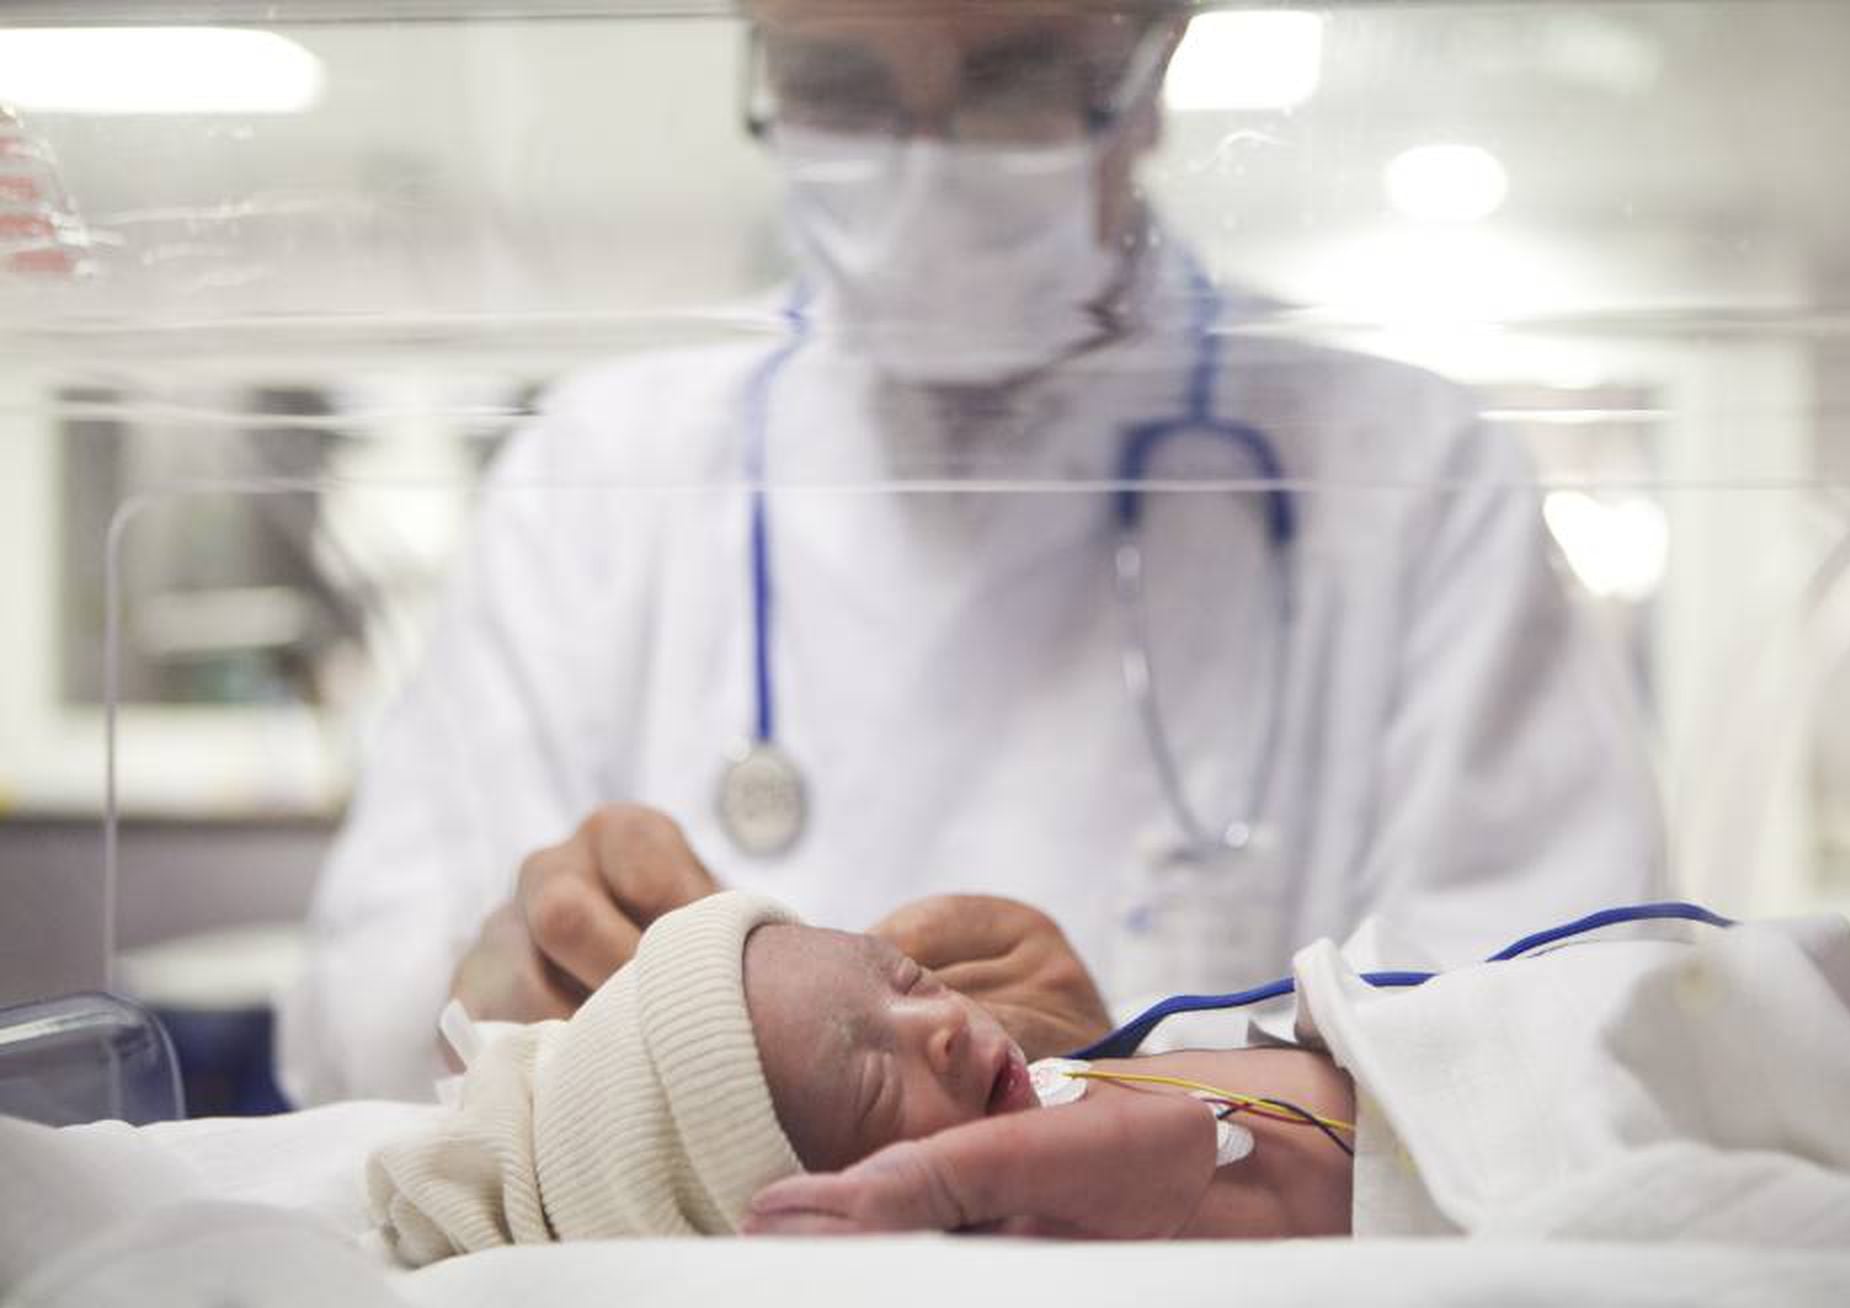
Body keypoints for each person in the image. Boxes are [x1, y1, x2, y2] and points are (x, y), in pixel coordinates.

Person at [278, 0, 1662, 1106]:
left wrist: (1157, 1090)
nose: (920, 169)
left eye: (1011, 82)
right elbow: (358, 1023)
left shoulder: (1401, 473)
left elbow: (1570, 1037)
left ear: (1157, 64)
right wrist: (489, 994)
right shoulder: (604, 464)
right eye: (837, 88)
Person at [368, 893, 1850, 1261]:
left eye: (901, 976)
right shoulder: (1024, 1206)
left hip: (1566, 1015)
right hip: (1579, 1103)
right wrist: (1194, 1145)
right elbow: (1233, 1163)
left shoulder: (1059, 1082)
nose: (930, 1024)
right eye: (869, 1090)